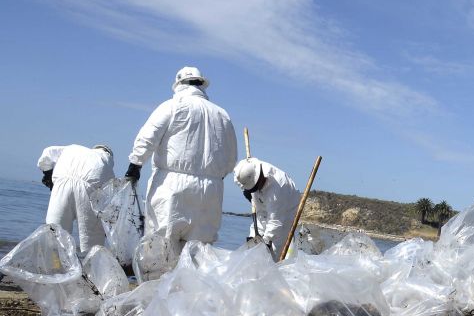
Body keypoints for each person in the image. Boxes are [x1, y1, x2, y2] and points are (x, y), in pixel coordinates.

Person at [125, 66, 237, 248]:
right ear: (202, 85)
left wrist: (135, 165)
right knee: (199, 250)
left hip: (172, 185)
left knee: (161, 245)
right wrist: (216, 175)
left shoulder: (173, 105)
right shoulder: (222, 114)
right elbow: (231, 157)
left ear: (179, 84)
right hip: (211, 191)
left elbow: (148, 136)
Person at [37, 144, 115, 254]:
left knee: (54, 234)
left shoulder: (73, 148)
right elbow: (108, 200)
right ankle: (89, 263)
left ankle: (55, 262)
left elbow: (48, 152)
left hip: (61, 183)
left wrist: (47, 173)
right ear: (109, 154)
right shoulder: (106, 161)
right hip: (90, 189)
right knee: (92, 243)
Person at [233, 157, 300, 257]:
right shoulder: (246, 167)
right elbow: (237, 178)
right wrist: (245, 189)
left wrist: (266, 243)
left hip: (286, 209)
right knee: (252, 245)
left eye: (254, 187)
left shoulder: (278, 188)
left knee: (273, 250)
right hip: (263, 199)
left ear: (260, 178)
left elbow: (275, 221)